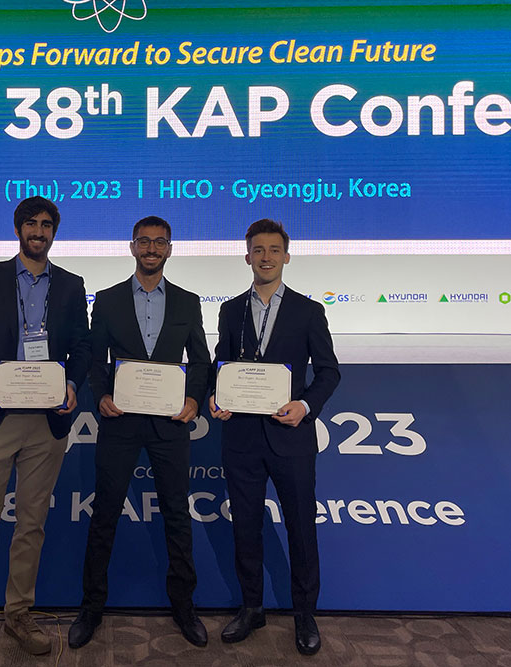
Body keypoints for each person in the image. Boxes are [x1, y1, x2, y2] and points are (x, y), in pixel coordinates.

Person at [0, 196, 91, 656]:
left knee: (31, 524)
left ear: (54, 233)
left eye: (46, 225)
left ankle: (18, 613)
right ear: (17, 229)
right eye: (31, 224)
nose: (38, 231)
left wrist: (72, 383)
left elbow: (84, 347)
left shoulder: (71, 285)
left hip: (46, 422)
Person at [69, 216, 211, 649]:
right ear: (132, 246)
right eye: (144, 241)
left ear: (170, 249)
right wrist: (101, 395)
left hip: (171, 424)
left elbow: (200, 360)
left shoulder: (188, 301)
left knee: (177, 515)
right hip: (120, 422)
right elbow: (95, 358)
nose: (152, 248)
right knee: (105, 514)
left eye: (160, 242)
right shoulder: (107, 299)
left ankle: (184, 606)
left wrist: (193, 399)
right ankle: (91, 607)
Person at [209, 219, 340, 656]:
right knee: (246, 528)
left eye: (273, 250)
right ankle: (252, 608)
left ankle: (305, 615)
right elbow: (221, 366)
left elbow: (329, 372)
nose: (266, 257)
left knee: (301, 528)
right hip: (242, 439)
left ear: (286, 256)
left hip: (291, 439)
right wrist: (215, 395)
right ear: (247, 256)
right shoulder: (230, 310)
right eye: (258, 250)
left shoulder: (308, 311)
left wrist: (305, 406)